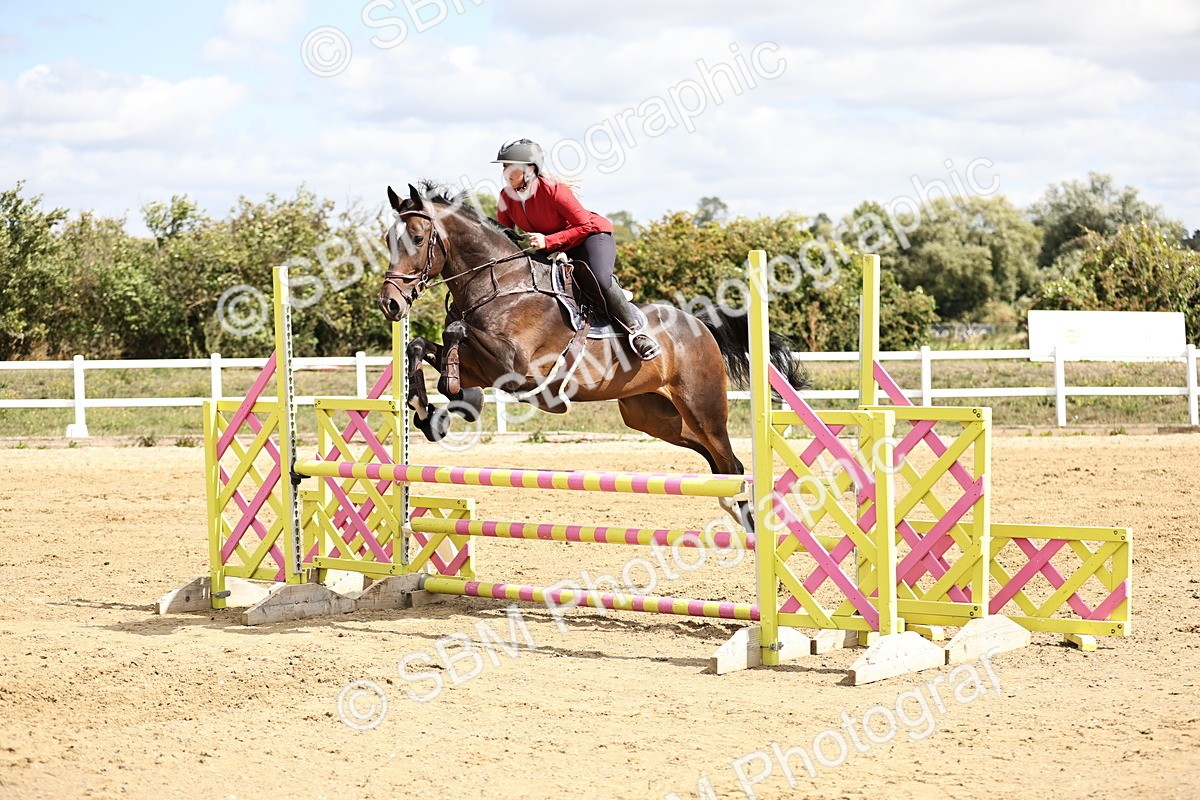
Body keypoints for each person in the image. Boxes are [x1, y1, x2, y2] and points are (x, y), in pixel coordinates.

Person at [491, 138, 661, 361]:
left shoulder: (554, 191)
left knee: (600, 278)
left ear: (530, 170)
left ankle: (636, 332)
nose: (505, 172)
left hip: (591, 236)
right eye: (503, 166)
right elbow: (505, 234)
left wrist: (548, 242)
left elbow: (585, 225)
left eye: (509, 167)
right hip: (555, 245)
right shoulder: (506, 197)